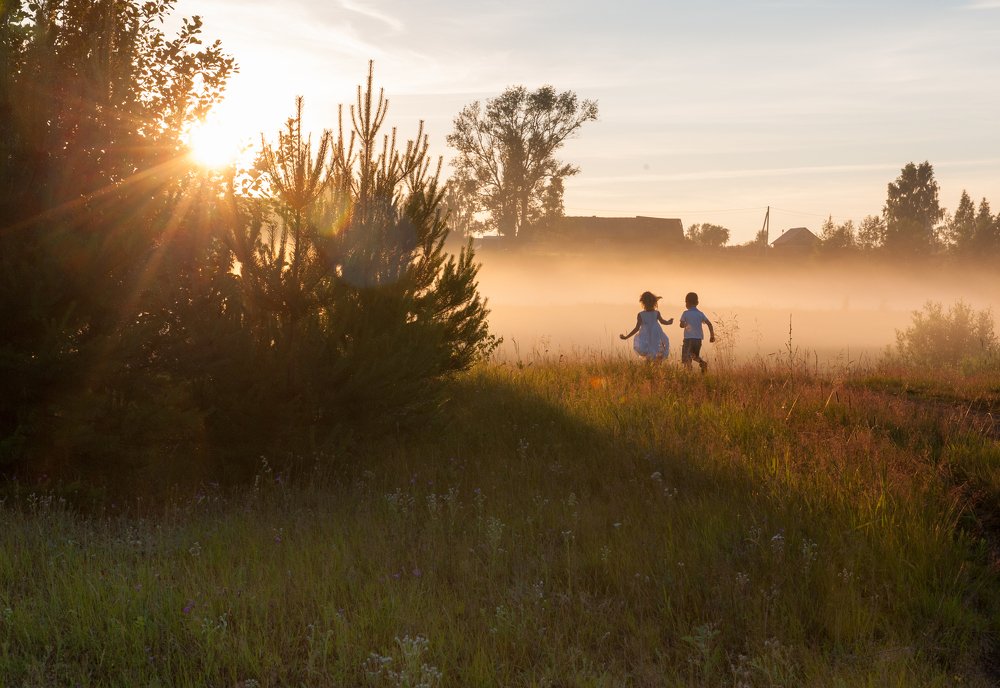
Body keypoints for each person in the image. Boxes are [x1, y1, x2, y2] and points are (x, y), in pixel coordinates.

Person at [620, 291, 673, 360]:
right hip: (656, 335)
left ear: (643, 303)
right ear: (654, 303)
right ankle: (655, 368)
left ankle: (650, 368)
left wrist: (627, 337)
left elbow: (636, 328)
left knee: (649, 354)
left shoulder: (641, 315)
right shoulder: (656, 313)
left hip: (646, 337)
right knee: (657, 352)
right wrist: (669, 322)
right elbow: (663, 322)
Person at [679, 291, 715, 372]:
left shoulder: (685, 313)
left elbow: (681, 325)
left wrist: (685, 325)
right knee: (694, 356)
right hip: (698, 339)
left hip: (688, 339)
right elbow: (709, 324)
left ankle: (688, 372)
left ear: (687, 303)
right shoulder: (700, 314)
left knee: (686, 357)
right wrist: (712, 336)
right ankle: (702, 363)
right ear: (697, 303)